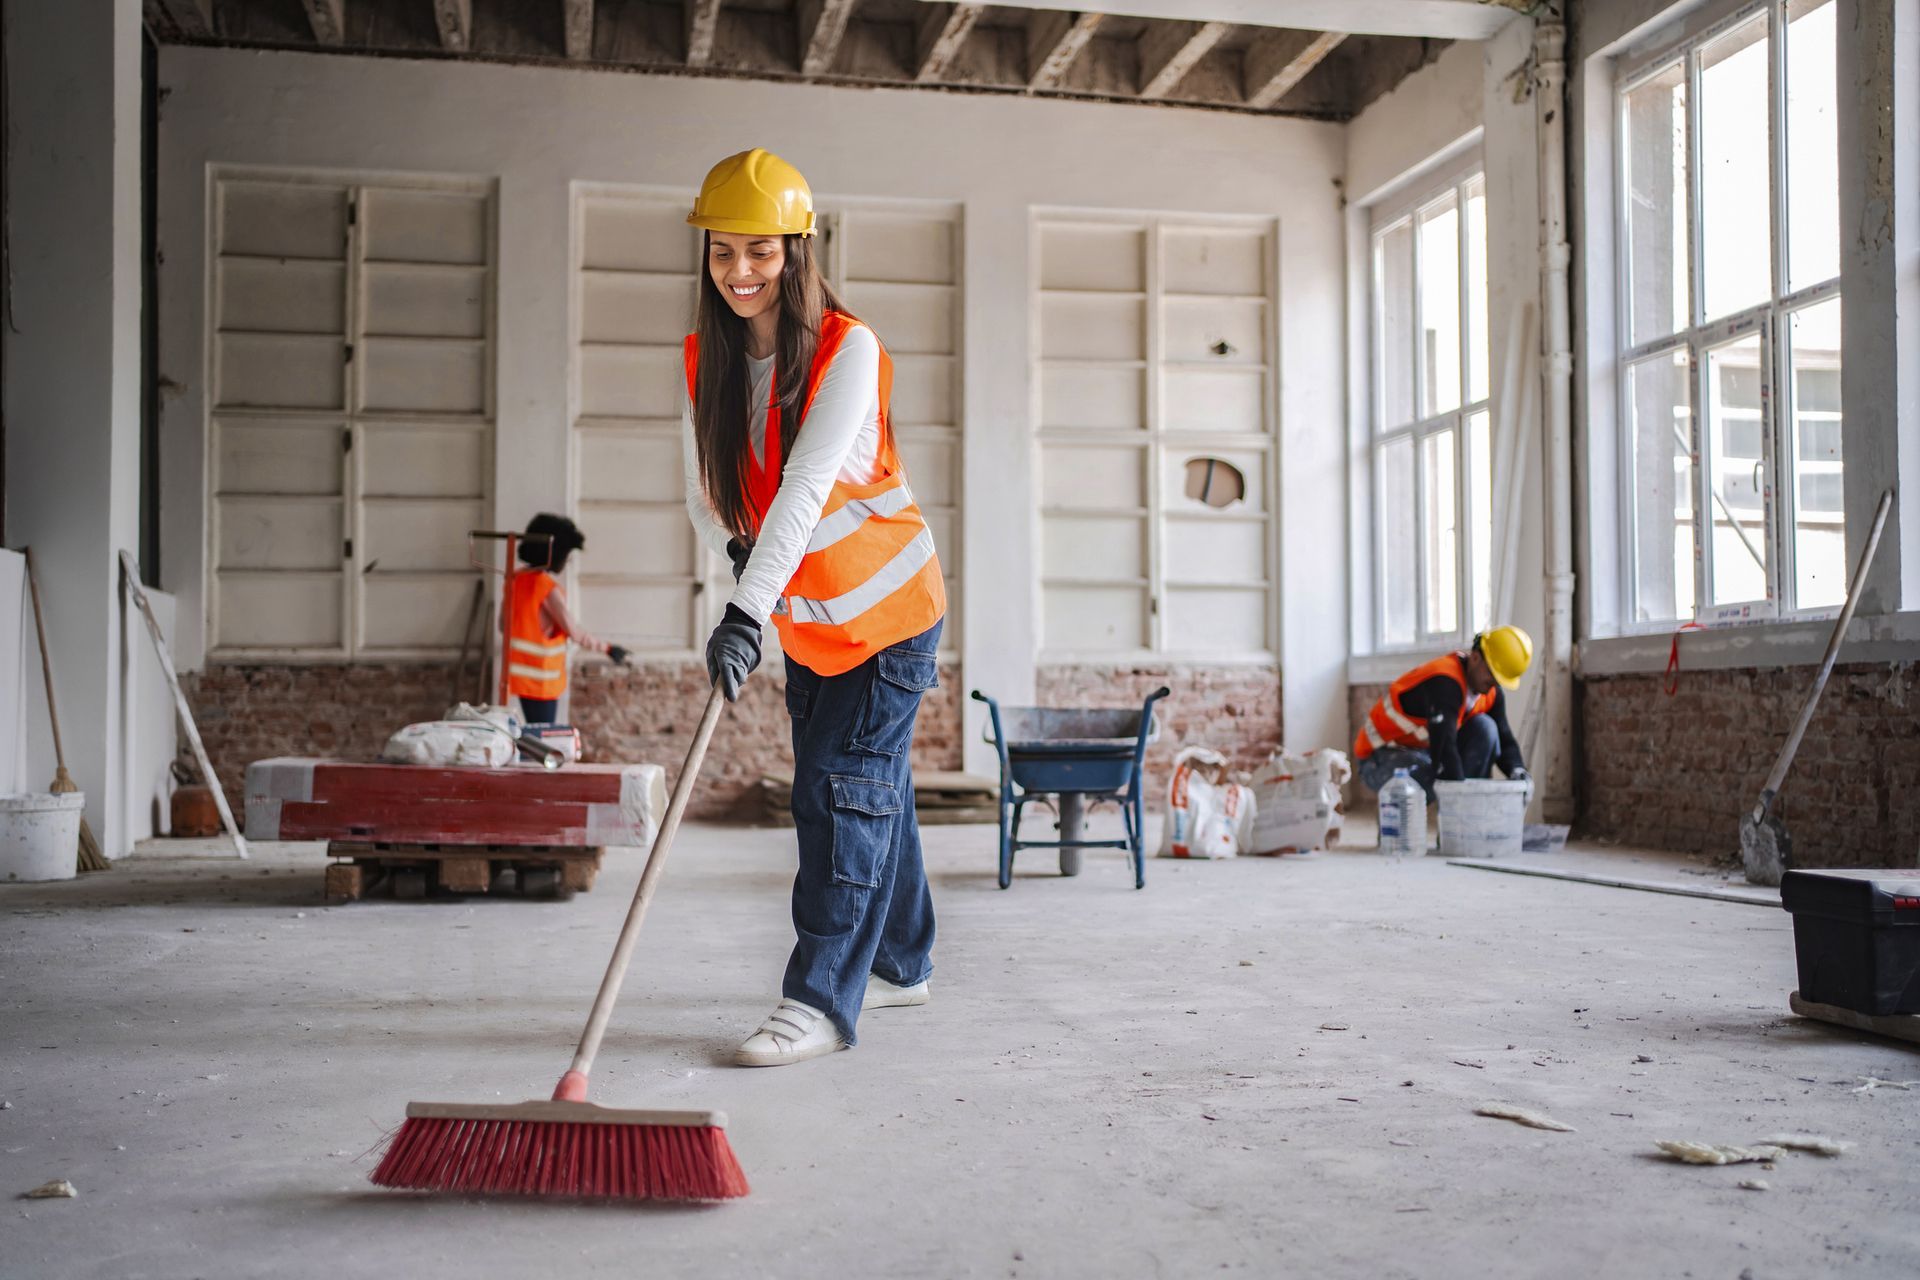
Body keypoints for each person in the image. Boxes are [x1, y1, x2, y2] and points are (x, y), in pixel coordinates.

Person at [679, 148, 946, 1068]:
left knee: (838, 796)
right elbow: (706, 490)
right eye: (723, 253)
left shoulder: (848, 348)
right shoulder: (705, 359)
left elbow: (804, 490)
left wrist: (744, 611)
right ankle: (904, 965)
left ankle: (821, 1001)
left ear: (799, 249)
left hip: (890, 614)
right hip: (813, 621)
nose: (742, 272)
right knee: (874, 788)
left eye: (762, 252)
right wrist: (737, 558)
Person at [1354, 625, 1534, 802]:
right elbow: (1444, 750)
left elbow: (1504, 738)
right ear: (1476, 658)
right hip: (1378, 756)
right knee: (1430, 780)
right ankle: (1396, 823)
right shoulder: (1444, 682)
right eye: (1491, 675)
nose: (1492, 685)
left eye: (1499, 680)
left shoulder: (1489, 691)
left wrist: (1518, 771)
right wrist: (1458, 801)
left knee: (1485, 728)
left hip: (1422, 752)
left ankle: (1466, 825)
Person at [503, 512, 628, 726]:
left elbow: (501, 625)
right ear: (554, 552)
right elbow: (573, 631)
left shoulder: (515, 580)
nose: (568, 560)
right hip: (543, 681)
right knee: (543, 736)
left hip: (520, 677)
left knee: (533, 732)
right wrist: (606, 648)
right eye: (567, 554)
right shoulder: (546, 588)